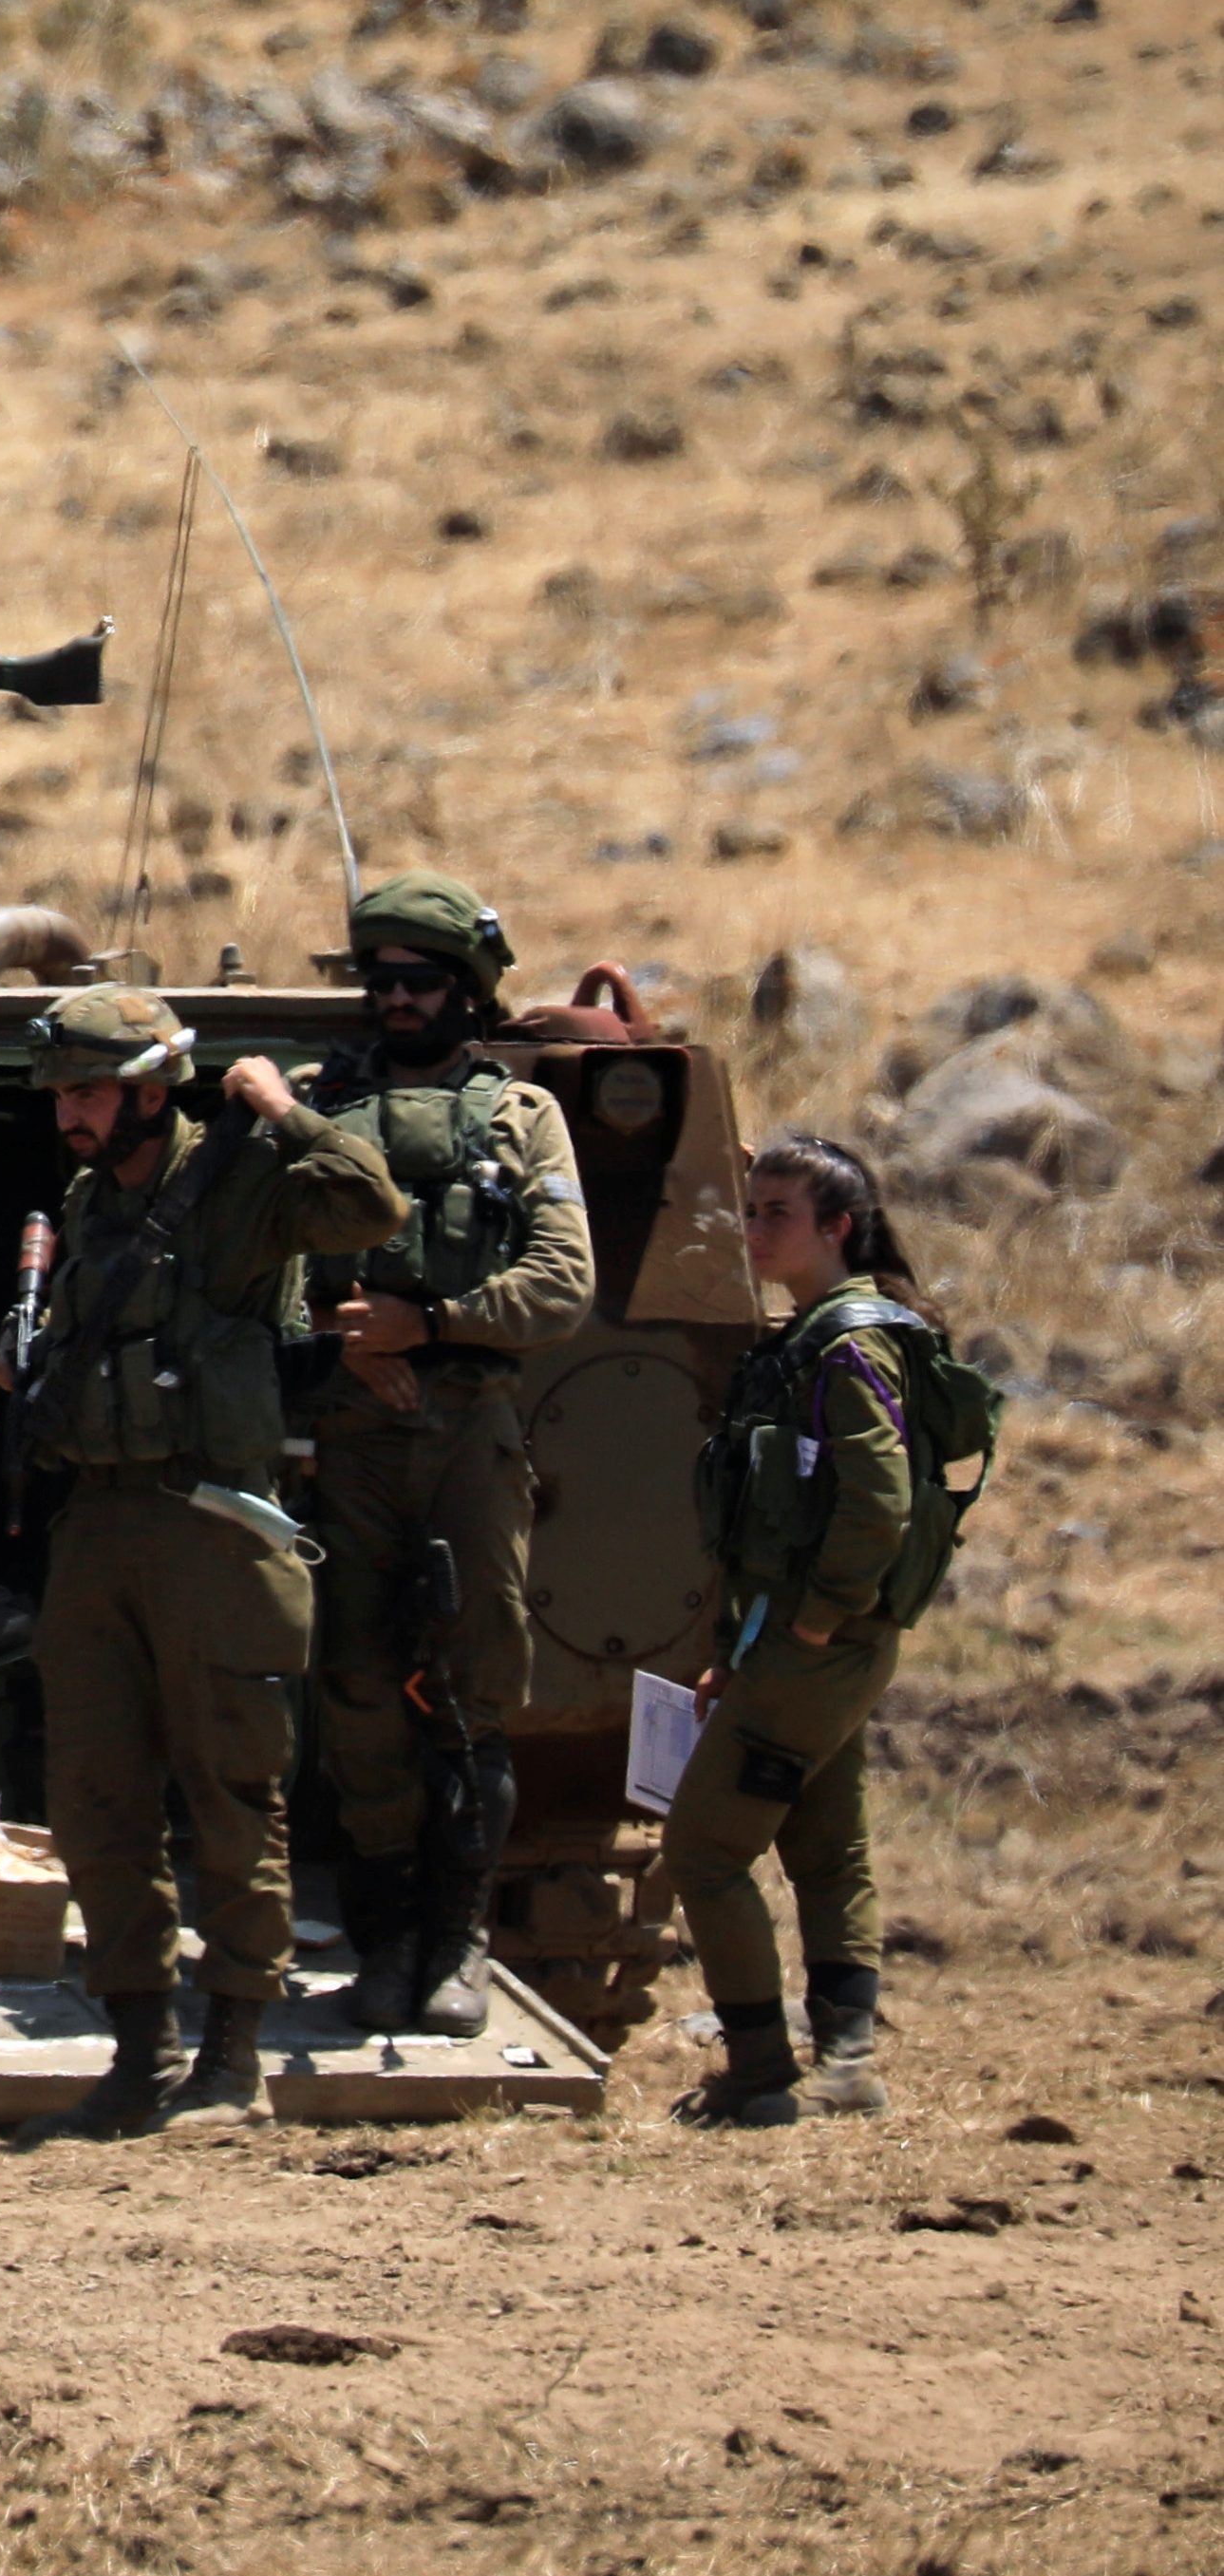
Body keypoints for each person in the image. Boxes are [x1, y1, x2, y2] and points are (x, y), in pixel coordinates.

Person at [0, 989, 405, 2140]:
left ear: (149, 1087)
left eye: (88, 1091)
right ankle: (141, 2046)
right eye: (63, 1095)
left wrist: (284, 1113)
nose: (70, 1115)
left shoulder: (242, 1179)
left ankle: (234, 2054)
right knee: (94, 1799)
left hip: (216, 1528)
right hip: (99, 1530)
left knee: (232, 1793)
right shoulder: (86, 1206)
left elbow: (370, 1207)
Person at [297, 874, 594, 2036]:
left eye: (420, 980)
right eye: (379, 981)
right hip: (357, 1431)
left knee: (473, 1689)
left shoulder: (518, 1119)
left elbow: (561, 1283)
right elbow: (269, 1258)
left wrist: (434, 1324)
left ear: (466, 991)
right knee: (360, 1687)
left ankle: (457, 1941)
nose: (396, 999)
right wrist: (344, 1335)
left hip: (468, 1425)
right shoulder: (330, 1105)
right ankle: (382, 1939)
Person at [660, 1134, 959, 2128]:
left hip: (818, 1641)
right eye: (748, 1211)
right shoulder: (818, 1334)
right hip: (803, 1640)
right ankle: (846, 2062)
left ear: (836, 1228)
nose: (753, 1230)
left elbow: (874, 1502)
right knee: (826, 1846)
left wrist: (819, 1621)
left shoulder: (844, 1343)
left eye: (775, 1213)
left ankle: (756, 2069)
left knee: (702, 1850)